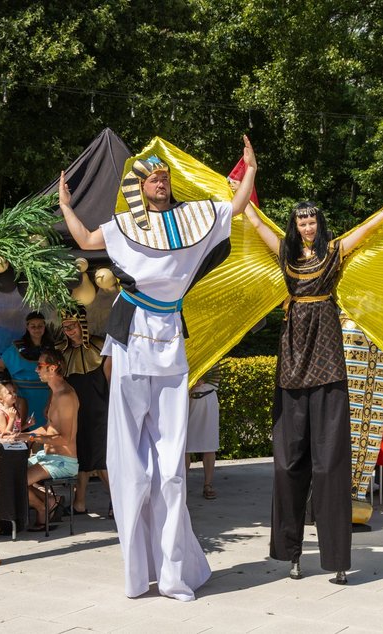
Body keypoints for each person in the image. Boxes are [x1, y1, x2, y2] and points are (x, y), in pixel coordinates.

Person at [58, 135, 258, 601]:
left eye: (164, 177)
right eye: (152, 178)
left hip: (170, 340)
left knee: (170, 469)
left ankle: (172, 575)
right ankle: (136, 575)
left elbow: (236, 207)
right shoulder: (124, 225)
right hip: (130, 338)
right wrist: (67, 204)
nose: (160, 182)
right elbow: (87, 239)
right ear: (139, 187)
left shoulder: (194, 219)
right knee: (131, 464)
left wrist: (250, 170)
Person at [243, 190, 383, 584]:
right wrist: (239, 185)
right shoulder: (286, 255)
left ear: (320, 225)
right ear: (295, 226)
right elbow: (253, 223)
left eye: (312, 221)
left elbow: (369, 230)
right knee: (288, 463)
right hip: (292, 363)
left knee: (329, 464)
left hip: (327, 362)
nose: (307, 227)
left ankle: (338, 558)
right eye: (301, 222)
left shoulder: (335, 252)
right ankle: (290, 552)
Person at [8, 349, 79, 529]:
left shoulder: (66, 396)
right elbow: (50, 427)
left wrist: (32, 437)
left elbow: (65, 438)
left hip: (63, 460)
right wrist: (21, 435)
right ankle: (49, 500)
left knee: (16, 481)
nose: (36, 370)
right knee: (8, 473)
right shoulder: (53, 392)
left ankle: (43, 507)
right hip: (47, 457)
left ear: (53, 368)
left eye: (40, 366)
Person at [56, 305, 112, 515]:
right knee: (82, 459)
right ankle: (79, 502)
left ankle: (119, 503)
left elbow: (111, 382)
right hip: (76, 413)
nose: (68, 330)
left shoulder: (101, 347)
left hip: (100, 412)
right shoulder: (62, 351)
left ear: (82, 325)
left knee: (100, 460)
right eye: (65, 327)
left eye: (72, 325)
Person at [0, 311, 53, 429]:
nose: (37, 329)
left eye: (40, 326)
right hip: (22, 397)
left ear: (44, 326)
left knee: (47, 430)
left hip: (46, 397)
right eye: (33, 326)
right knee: (22, 430)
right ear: (27, 327)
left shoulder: (52, 347)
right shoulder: (17, 348)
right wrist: (7, 386)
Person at [185, 377, 220, 500]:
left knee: (209, 444)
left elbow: (218, 375)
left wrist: (203, 380)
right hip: (188, 400)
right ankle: (181, 486)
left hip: (208, 398)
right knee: (185, 446)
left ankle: (208, 484)